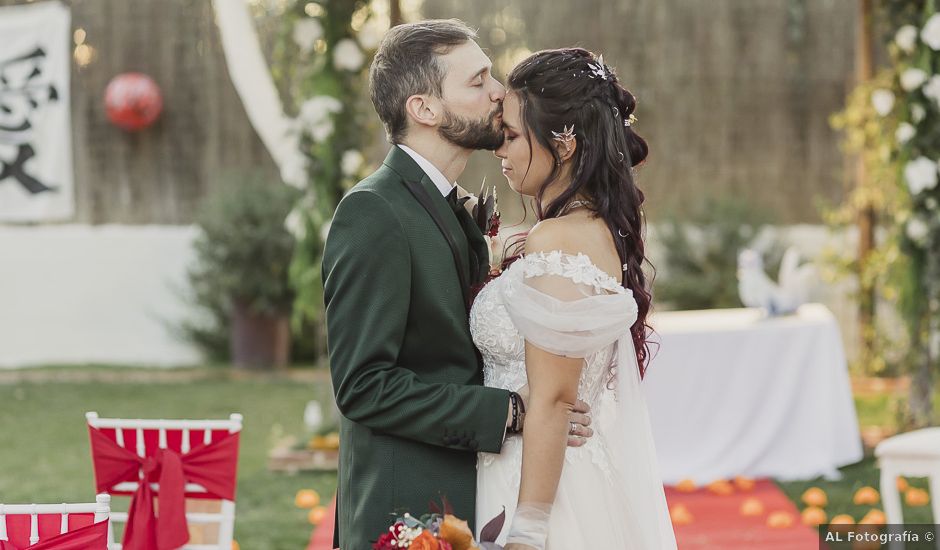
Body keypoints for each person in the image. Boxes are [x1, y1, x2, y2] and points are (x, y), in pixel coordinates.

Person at [321, 22, 593, 550]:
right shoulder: (374, 211)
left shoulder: (452, 205)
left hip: (473, 496)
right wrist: (511, 410)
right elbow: (362, 385)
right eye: (478, 81)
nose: (499, 92)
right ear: (424, 108)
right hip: (409, 512)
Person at [471, 48, 678, 549]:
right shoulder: (588, 230)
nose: (501, 150)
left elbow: (556, 398)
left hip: (539, 486)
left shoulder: (559, 240)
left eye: (514, 136)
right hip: (536, 465)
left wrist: (528, 530)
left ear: (564, 144)